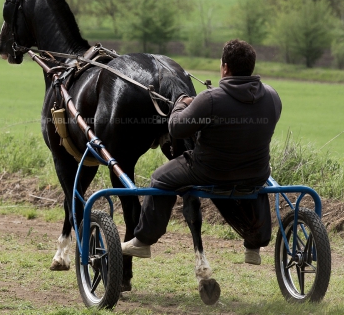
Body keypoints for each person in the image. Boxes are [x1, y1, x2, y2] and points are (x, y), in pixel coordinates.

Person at [121, 39, 282, 265]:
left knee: (160, 178)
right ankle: (253, 246)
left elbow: (176, 128)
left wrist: (180, 103)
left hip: (208, 172)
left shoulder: (210, 99)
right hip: (256, 173)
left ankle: (143, 240)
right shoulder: (272, 96)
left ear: (225, 67)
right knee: (256, 182)